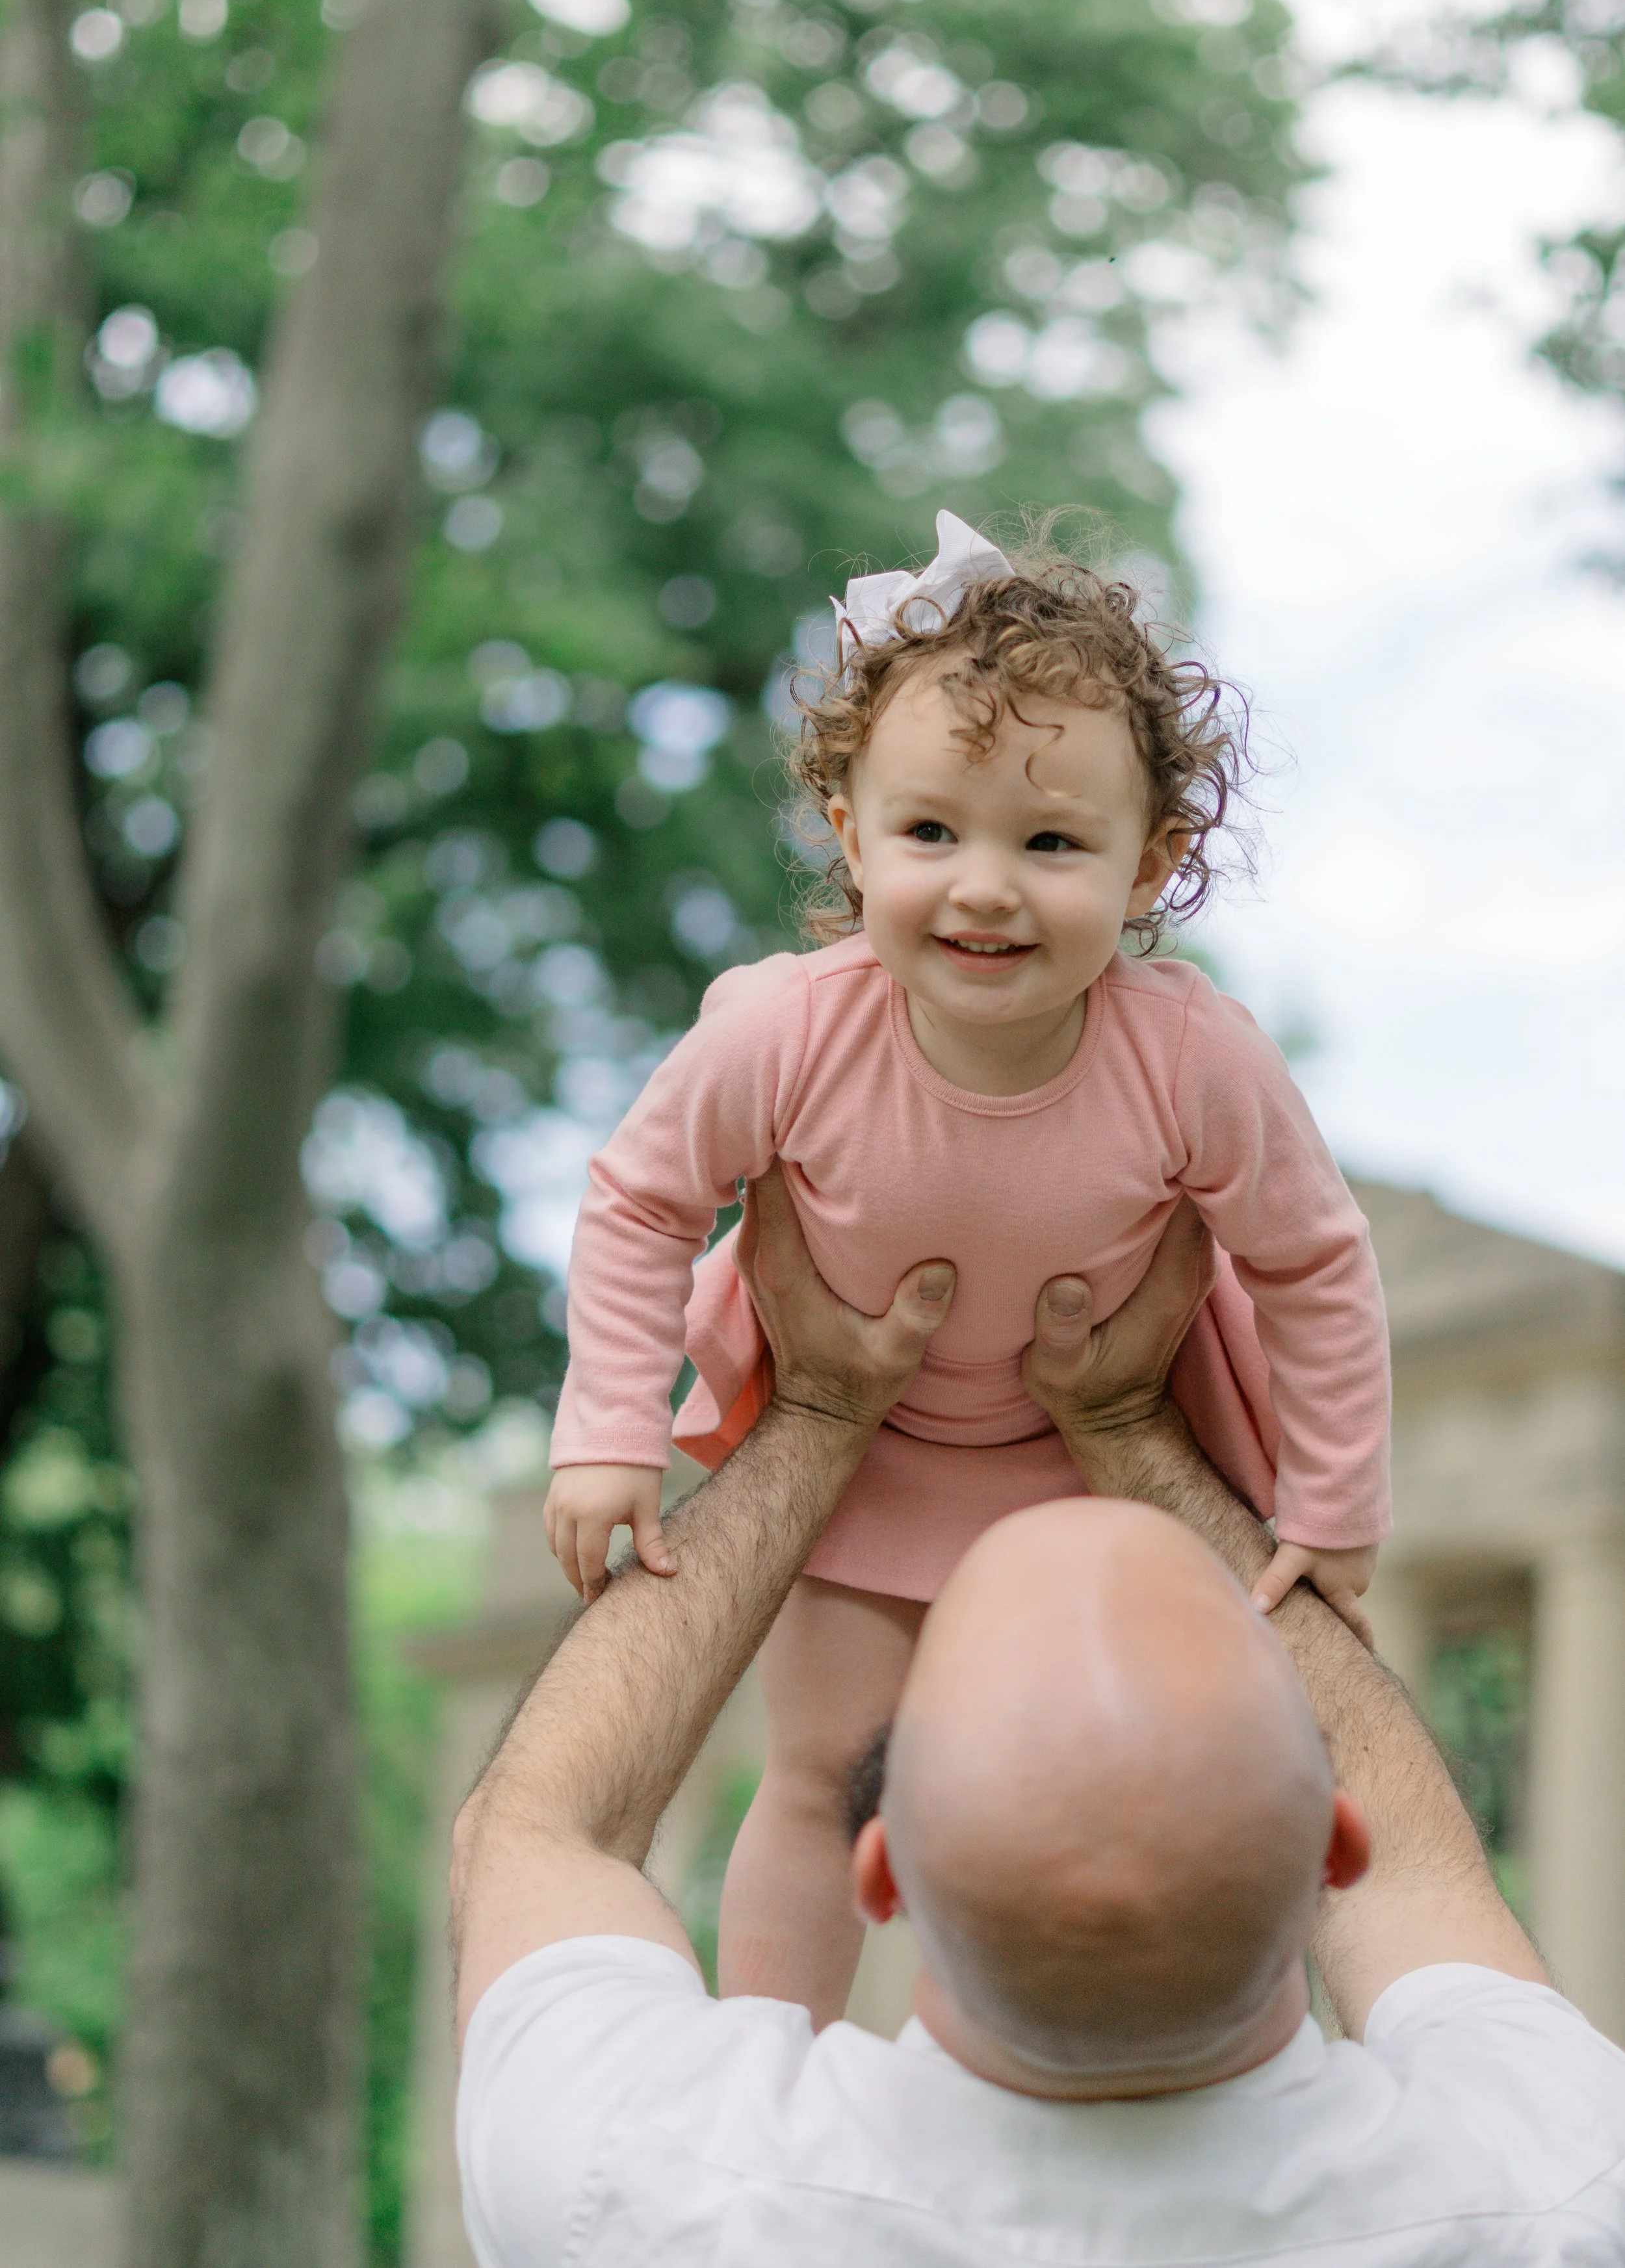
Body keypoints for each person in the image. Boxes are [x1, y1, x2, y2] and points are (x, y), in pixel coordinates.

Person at [452, 1171, 1625, 2267]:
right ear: (1336, 1843)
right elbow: (1425, 1878)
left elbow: (537, 1829)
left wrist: (816, 1409)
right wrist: (1133, 1436)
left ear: (884, 1869)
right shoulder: (1556, 2190)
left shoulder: (654, 2185)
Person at [543, 509, 1391, 2022]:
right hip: (864, 1475)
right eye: (932, 832)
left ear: (1153, 864)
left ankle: (1137, 2083)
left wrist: (1329, 1503)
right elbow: (638, 1204)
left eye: (1050, 842)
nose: (984, 886)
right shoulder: (782, 1033)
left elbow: (1311, 1266)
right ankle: (770, 2071)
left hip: (1095, 1485)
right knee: (816, 1778)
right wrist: (609, 1428)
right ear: (849, 835)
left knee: (1138, 1792)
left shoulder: (1190, 1059)